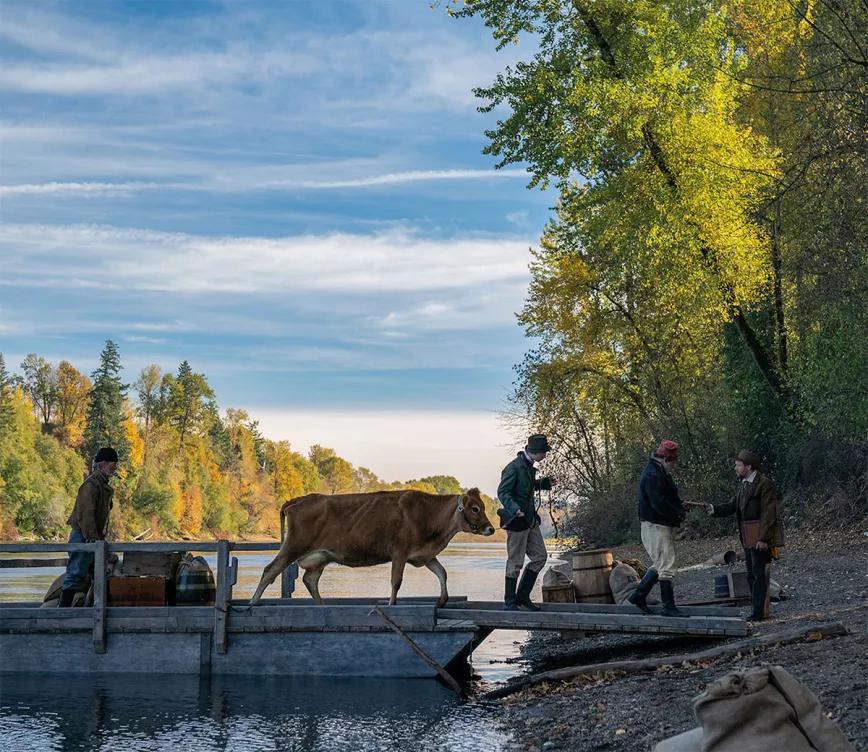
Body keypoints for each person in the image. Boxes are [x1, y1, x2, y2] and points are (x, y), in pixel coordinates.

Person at [705, 450, 784, 621]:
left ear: (748, 467)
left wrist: (763, 538)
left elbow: (769, 513)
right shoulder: (744, 484)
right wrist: (714, 509)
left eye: (738, 465)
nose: (736, 468)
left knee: (759, 574)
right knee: (751, 574)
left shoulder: (764, 484)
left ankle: (759, 613)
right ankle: (757, 610)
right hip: (748, 536)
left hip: (759, 536)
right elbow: (733, 505)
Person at [629, 439, 687, 617]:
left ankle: (639, 596)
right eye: (673, 462)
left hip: (656, 524)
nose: (674, 466)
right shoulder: (653, 475)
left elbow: (664, 499)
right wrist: (678, 513)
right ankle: (668, 607)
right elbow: (658, 504)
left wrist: (679, 507)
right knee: (666, 565)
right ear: (666, 460)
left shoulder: (657, 472)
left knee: (661, 563)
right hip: (655, 525)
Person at [497, 433, 554, 611]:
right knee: (515, 562)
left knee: (540, 557)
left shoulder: (528, 466)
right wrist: (514, 509)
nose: (545, 455)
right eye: (544, 452)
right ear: (536, 452)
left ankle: (522, 597)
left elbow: (526, 486)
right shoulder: (513, 468)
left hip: (530, 521)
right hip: (517, 521)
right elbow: (503, 492)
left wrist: (543, 483)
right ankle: (509, 602)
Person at [59, 447, 118, 607]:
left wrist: (99, 542)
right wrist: (94, 541)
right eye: (113, 465)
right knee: (76, 573)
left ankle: (95, 609)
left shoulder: (102, 486)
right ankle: (61, 613)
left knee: (98, 574)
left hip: (93, 538)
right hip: (83, 537)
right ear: (103, 464)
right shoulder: (90, 485)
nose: (114, 469)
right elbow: (86, 517)